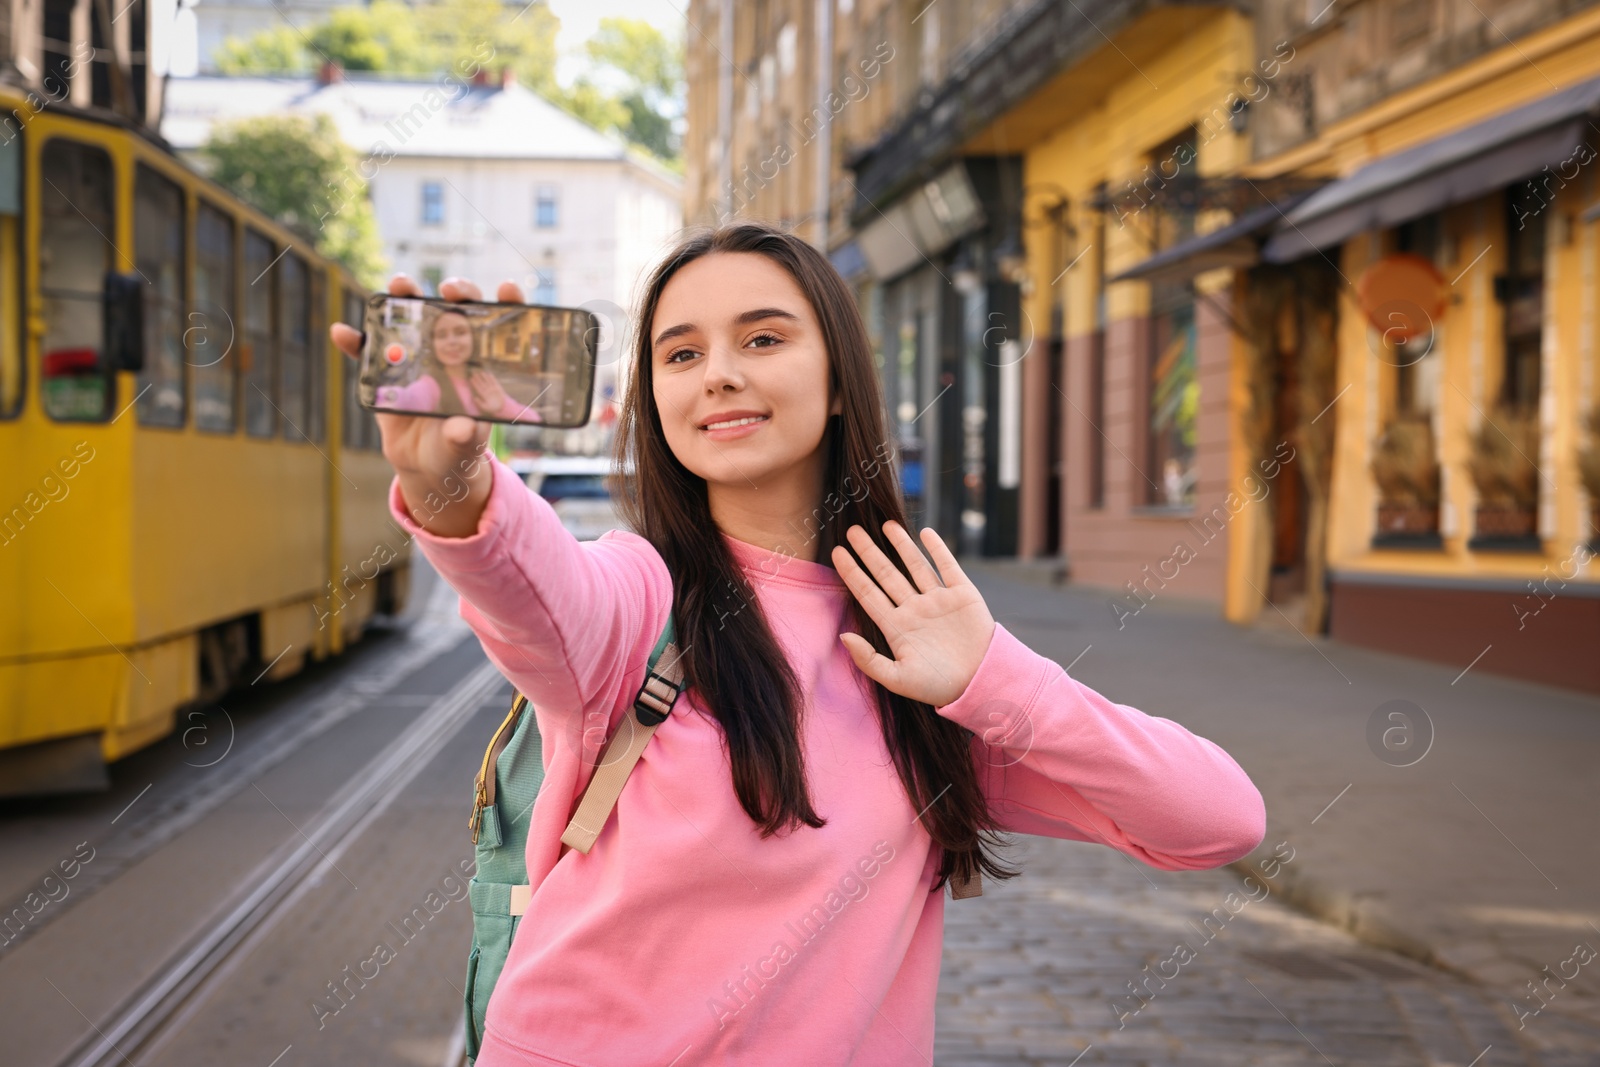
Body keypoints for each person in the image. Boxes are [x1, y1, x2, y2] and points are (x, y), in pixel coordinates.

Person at [328, 227, 1266, 1066]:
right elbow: (536, 591)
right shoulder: (639, 598)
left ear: (837, 378)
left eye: (763, 338)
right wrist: (456, 486)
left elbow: (1217, 818)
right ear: (654, 398)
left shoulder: (922, 650)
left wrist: (993, 680)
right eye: (680, 352)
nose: (718, 373)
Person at [375, 305, 542, 422]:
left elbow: (534, 419)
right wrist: (382, 394)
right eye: (441, 335)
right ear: (432, 344)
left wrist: (501, 406)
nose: (452, 342)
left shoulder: (483, 383)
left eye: (460, 332)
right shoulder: (429, 386)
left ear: (473, 338)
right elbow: (405, 400)